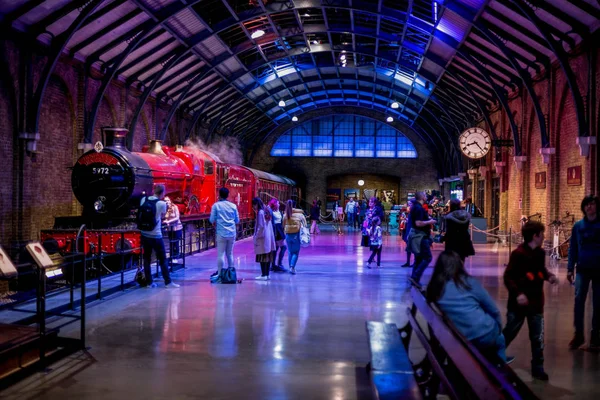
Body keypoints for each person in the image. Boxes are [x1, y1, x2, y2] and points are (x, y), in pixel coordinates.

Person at [427, 251, 507, 364]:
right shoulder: (469, 283)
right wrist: (498, 328)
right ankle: (500, 370)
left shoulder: (435, 288)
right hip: (483, 334)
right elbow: (493, 309)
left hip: (458, 335)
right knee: (500, 339)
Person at [503, 221, 558, 381]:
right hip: (517, 304)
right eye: (542, 233)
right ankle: (493, 357)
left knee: (538, 336)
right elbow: (508, 277)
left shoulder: (540, 253)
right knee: (509, 332)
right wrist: (518, 294)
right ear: (535, 236)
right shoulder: (518, 254)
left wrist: (549, 276)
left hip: (536, 303)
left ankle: (538, 367)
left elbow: (540, 270)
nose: (544, 236)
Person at [567, 195, 600, 350]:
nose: (589, 207)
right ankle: (578, 334)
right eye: (586, 204)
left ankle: (595, 336)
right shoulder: (578, 226)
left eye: (592, 204)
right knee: (579, 301)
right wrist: (569, 268)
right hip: (582, 269)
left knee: (598, 303)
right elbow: (573, 248)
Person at [140, 185, 179, 288]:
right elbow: (162, 216)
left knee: (147, 259)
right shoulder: (162, 204)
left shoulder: (144, 199)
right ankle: (168, 282)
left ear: (153, 190)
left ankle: (149, 282)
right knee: (162, 259)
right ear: (163, 193)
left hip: (144, 233)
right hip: (156, 234)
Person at [209, 187, 240, 280]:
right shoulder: (233, 206)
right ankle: (231, 275)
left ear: (219, 195)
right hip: (231, 233)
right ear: (228, 195)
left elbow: (211, 220)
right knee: (230, 254)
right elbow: (237, 220)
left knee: (221, 254)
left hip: (221, 233)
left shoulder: (216, 206)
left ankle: (219, 275)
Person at [409, 192, 436, 282]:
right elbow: (418, 223)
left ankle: (414, 278)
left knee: (419, 257)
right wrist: (430, 222)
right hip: (420, 236)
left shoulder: (415, 207)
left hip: (418, 235)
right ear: (422, 197)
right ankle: (416, 276)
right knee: (427, 257)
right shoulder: (418, 208)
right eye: (425, 195)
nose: (426, 197)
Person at [252, 197, 276, 281]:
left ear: (256, 204)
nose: (253, 207)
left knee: (262, 256)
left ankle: (263, 275)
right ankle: (267, 274)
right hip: (268, 236)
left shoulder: (260, 213)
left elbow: (260, 226)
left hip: (262, 238)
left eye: (253, 205)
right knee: (267, 256)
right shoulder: (267, 211)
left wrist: (256, 236)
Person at [283, 199, 307, 275]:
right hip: (296, 235)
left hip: (287, 235)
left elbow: (283, 225)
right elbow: (305, 225)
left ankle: (290, 267)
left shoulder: (285, 214)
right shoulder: (300, 215)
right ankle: (292, 267)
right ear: (295, 206)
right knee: (295, 252)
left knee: (290, 252)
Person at [269, 199, 287, 272]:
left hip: (280, 229)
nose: (279, 204)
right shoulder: (271, 211)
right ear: (275, 204)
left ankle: (273, 265)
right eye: (278, 203)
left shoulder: (279, 212)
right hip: (276, 230)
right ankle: (279, 264)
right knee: (283, 247)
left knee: (276, 248)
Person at [164, 196, 183, 263]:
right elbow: (166, 217)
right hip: (170, 228)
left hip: (177, 227)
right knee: (171, 243)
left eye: (168, 200)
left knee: (175, 243)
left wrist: (169, 221)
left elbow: (177, 217)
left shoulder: (175, 207)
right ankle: (171, 257)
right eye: (165, 201)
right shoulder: (166, 209)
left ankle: (176, 257)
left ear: (170, 200)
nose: (166, 202)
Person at [401, 200, 414, 268]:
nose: (409, 206)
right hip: (408, 230)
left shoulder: (414, 213)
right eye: (408, 204)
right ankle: (408, 262)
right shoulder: (409, 213)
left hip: (412, 232)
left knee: (414, 248)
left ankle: (414, 262)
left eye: (410, 204)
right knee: (408, 248)